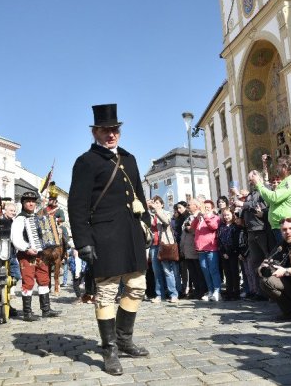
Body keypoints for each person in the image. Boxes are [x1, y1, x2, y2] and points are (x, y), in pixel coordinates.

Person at [68, 103, 150, 376]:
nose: (111, 134)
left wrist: (146, 226)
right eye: (105, 130)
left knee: (137, 287)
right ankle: (110, 349)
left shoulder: (130, 159)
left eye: (114, 130)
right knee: (105, 293)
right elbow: (77, 205)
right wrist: (83, 242)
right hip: (103, 236)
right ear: (95, 132)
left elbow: (139, 195)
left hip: (131, 233)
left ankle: (125, 339)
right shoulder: (86, 162)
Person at [11, 191, 62, 322]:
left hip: (41, 254)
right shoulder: (20, 219)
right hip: (27, 255)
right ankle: (27, 313)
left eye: (33, 201)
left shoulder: (40, 218)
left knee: (44, 279)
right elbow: (15, 238)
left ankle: (46, 310)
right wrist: (27, 248)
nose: (31, 203)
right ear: (23, 203)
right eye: (28, 201)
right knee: (28, 282)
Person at [248, 155, 291, 245]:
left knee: (290, 256)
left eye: (278, 165)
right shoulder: (286, 181)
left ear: (285, 167)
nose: (277, 168)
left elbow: (273, 198)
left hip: (288, 227)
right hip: (280, 226)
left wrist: (258, 184)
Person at [240, 172, 271, 301]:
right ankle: (260, 292)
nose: (250, 182)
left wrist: (244, 205)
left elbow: (262, 207)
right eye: (249, 180)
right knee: (255, 262)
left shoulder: (265, 190)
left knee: (267, 261)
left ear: (259, 178)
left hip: (262, 229)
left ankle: (271, 291)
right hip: (251, 230)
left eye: (252, 179)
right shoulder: (250, 194)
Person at [147, 196, 181, 303]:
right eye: (154, 202)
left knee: (167, 271)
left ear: (162, 204)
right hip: (153, 245)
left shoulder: (166, 213)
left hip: (164, 244)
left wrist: (157, 211)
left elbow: (166, 222)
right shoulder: (150, 215)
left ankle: (173, 294)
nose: (155, 204)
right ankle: (159, 294)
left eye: (157, 203)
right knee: (156, 272)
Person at [191, 199, 221, 302]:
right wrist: (197, 217)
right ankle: (210, 290)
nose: (206, 209)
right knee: (205, 271)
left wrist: (206, 216)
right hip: (201, 249)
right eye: (205, 207)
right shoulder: (201, 218)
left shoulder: (215, 217)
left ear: (212, 208)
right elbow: (192, 227)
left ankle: (217, 291)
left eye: (208, 208)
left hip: (211, 248)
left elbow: (213, 227)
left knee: (213, 270)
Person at [180, 200, 207, 299]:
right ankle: (196, 290)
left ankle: (202, 290)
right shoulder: (188, 217)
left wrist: (190, 229)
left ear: (196, 206)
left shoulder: (199, 216)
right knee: (192, 272)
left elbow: (198, 230)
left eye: (189, 204)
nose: (188, 206)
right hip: (187, 249)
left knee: (198, 271)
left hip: (195, 248)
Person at [217, 209, 246, 300]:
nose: (226, 217)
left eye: (228, 215)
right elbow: (219, 240)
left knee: (234, 272)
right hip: (224, 253)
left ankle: (236, 292)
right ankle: (229, 292)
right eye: (225, 215)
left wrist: (230, 252)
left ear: (232, 215)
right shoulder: (221, 227)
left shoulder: (235, 227)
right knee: (227, 273)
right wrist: (223, 252)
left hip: (233, 253)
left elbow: (236, 241)